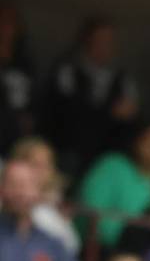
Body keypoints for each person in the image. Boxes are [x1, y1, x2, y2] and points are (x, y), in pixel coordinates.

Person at [41, 17, 138, 178]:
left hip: (104, 154)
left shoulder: (122, 79)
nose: (104, 46)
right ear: (86, 41)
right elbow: (67, 113)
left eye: (109, 41)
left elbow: (132, 115)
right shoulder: (68, 70)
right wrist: (108, 112)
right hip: (69, 149)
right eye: (99, 40)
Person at [77, 124, 150, 249]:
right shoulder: (112, 167)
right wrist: (131, 243)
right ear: (138, 143)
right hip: (102, 250)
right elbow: (93, 212)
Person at [10, 137, 80, 255]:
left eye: (46, 165)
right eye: (35, 164)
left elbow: (72, 246)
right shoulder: (8, 202)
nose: (42, 171)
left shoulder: (56, 204)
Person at [0, 2, 36, 157]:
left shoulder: (24, 63)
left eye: (12, 22)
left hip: (15, 139)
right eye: (3, 21)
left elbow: (33, 97)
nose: (7, 27)